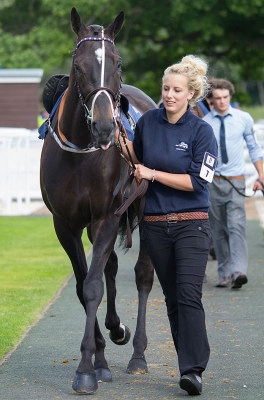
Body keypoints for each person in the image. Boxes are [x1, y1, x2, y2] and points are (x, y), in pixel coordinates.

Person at [115, 55, 218, 396]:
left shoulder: (203, 132)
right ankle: (187, 363)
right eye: (165, 88)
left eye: (176, 90)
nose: (169, 95)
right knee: (173, 299)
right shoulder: (147, 123)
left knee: (189, 295)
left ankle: (192, 370)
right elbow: (136, 156)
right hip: (155, 227)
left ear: (191, 93)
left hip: (192, 225)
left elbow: (198, 183)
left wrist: (153, 174)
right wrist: (117, 139)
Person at [203, 78, 264, 289]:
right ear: (211, 100)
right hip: (213, 182)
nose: (222, 102)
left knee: (236, 225)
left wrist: (261, 176)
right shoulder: (205, 123)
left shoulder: (243, 119)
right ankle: (224, 273)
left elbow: (254, 148)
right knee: (218, 229)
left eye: (225, 97)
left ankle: (239, 271)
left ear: (230, 96)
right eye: (217, 98)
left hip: (236, 180)